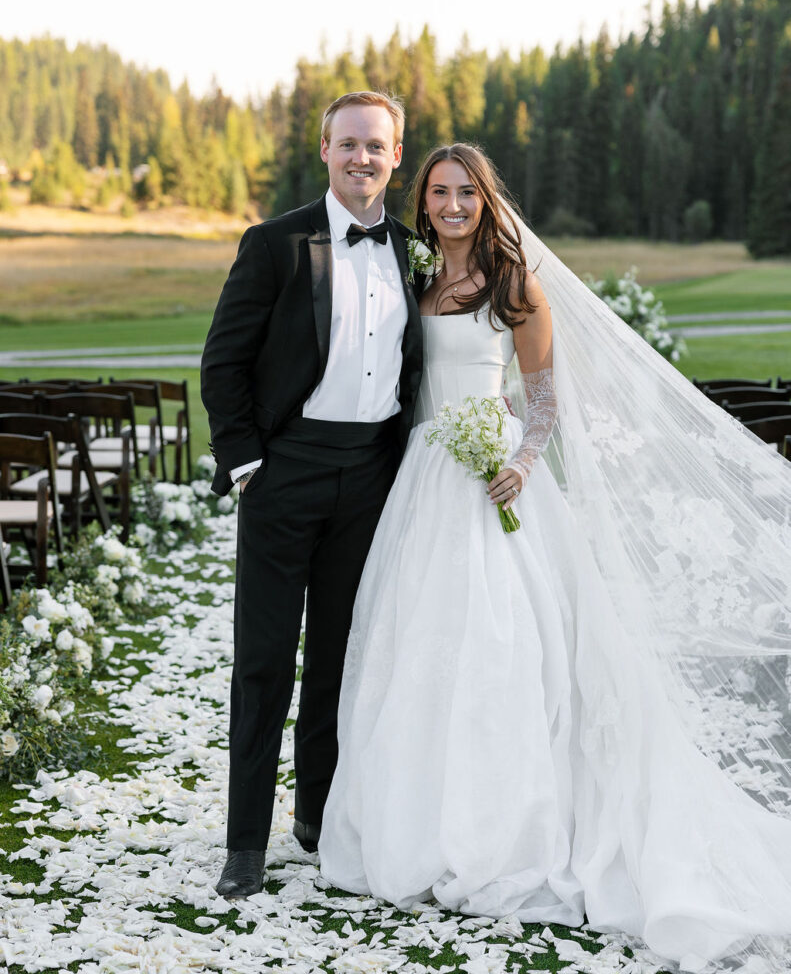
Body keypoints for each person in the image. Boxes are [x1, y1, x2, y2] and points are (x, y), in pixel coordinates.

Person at [319, 143, 791, 971]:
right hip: (422, 484)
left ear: (486, 200)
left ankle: (510, 825)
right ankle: (416, 825)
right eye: (439, 192)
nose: (453, 205)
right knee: (416, 653)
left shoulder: (514, 285)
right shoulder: (415, 280)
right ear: (421, 202)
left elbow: (542, 401)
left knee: (507, 652)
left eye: (467, 192)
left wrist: (520, 461)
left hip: (496, 483)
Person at [200, 91, 423, 899]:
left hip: (370, 479)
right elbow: (222, 364)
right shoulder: (273, 243)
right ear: (325, 148)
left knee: (339, 661)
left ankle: (317, 817)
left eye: (378, 146)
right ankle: (245, 844)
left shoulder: (414, 249)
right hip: (285, 472)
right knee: (264, 663)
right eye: (349, 143)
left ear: (397, 157)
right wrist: (248, 463)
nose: (363, 157)